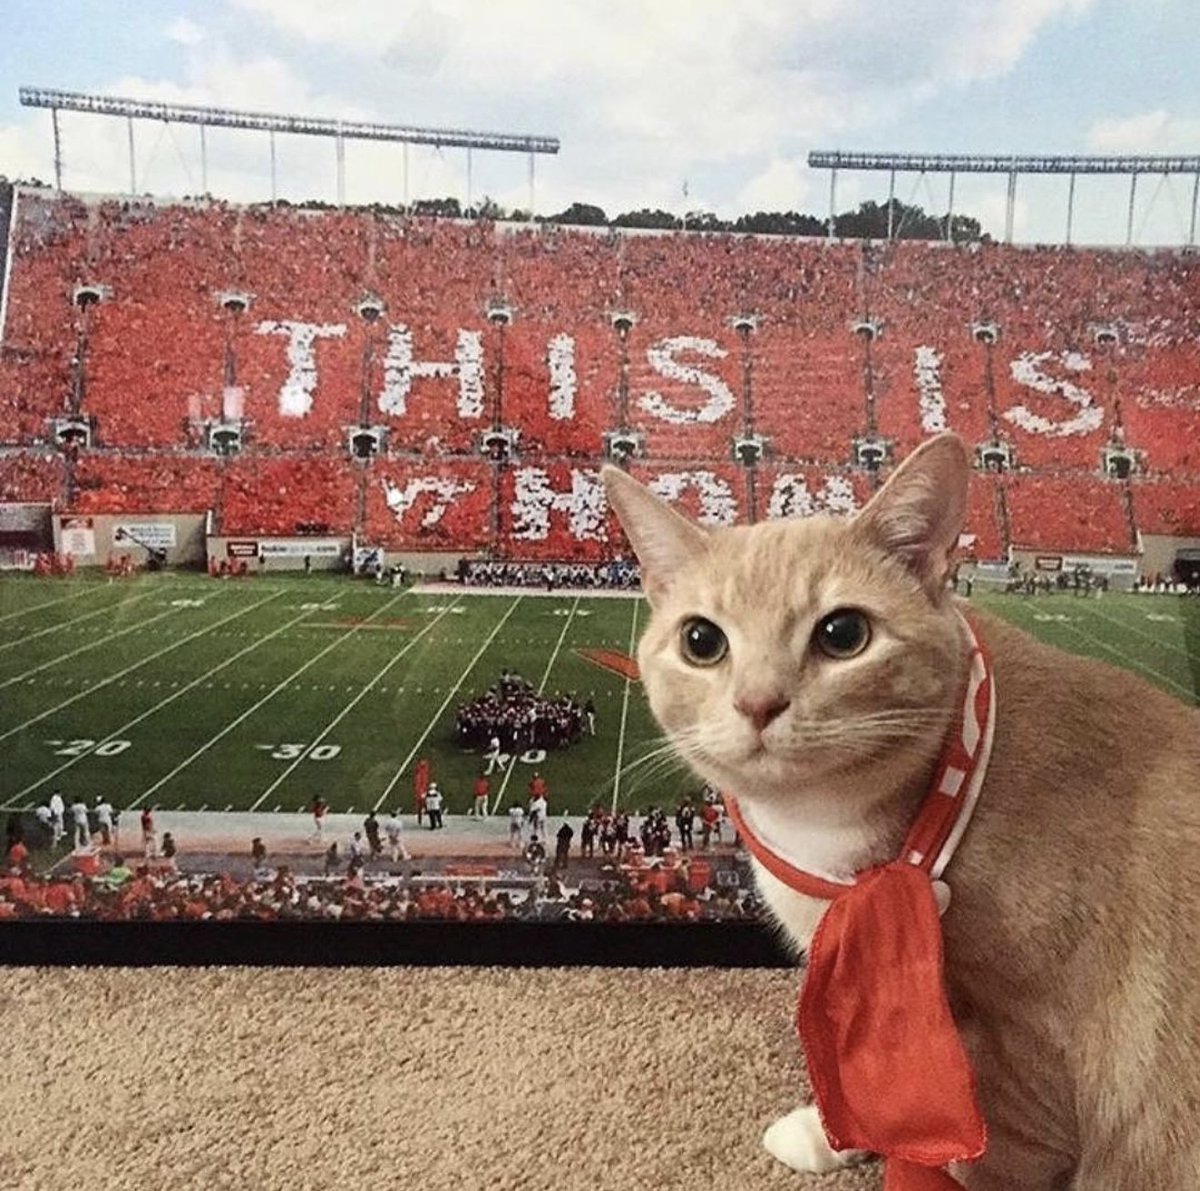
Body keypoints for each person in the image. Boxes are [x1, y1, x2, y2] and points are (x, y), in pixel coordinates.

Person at [414, 758, 431, 825]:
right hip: (421, 793)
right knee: (422, 808)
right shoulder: (421, 774)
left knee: (422, 808)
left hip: (421, 792)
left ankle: (420, 819)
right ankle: (420, 820)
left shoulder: (421, 773)